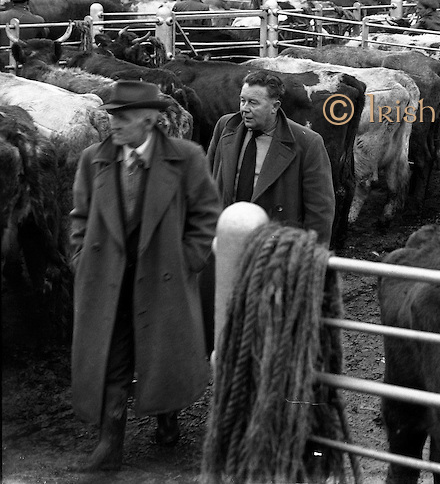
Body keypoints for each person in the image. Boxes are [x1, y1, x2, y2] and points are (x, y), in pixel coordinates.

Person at [70, 81, 220, 471]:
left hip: (162, 277)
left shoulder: (186, 158)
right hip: (108, 280)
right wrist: (81, 257)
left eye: (122, 116)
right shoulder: (94, 159)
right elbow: (81, 217)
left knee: (160, 354)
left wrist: (188, 259)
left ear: (150, 120)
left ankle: (167, 416)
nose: (113, 124)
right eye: (112, 116)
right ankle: (109, 443)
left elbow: (206, 215)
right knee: (113, 359)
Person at [207, 70, 336, 241]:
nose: (244, 109)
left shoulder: (307, 143)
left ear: (275, 107)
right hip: (227, 240)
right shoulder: (225, 127)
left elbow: (320, 212)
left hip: (274, 250)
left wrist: (310, 260)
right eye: (242, 100)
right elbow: (206, 183)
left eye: (253, 103)